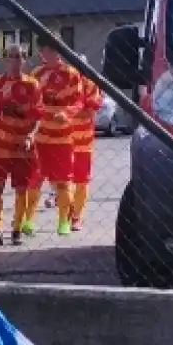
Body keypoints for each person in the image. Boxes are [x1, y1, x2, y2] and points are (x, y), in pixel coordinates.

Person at [0, 46, 44, 246]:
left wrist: (30, 135)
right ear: (5, 60)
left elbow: (38, 116)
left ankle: (17, 230)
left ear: (25, 60)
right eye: (11, 57)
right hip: (0, 148)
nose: (15, 60)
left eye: (19, 56)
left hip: (23, 148)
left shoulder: (33, 85)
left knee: (22, 190)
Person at [32, 42, 82, 237]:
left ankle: (64, 222)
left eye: (52, 49)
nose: (48, 53)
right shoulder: (36, 73)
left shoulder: (71, 73)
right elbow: (31, 101)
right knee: (34, 181)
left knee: (62, 182)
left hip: (63, 137)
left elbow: (78, 101)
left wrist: (66, 113)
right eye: (44, 49)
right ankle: (28, 220)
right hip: (40, 136)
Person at [68, 72, 104, 232]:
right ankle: (68, 215)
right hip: (62, 140)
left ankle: (76, 217)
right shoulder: (63, 82)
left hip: (83, 142)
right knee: (63, 181)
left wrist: (64, 113)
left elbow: (90, 111)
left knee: (81, 181)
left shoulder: (90, 84)